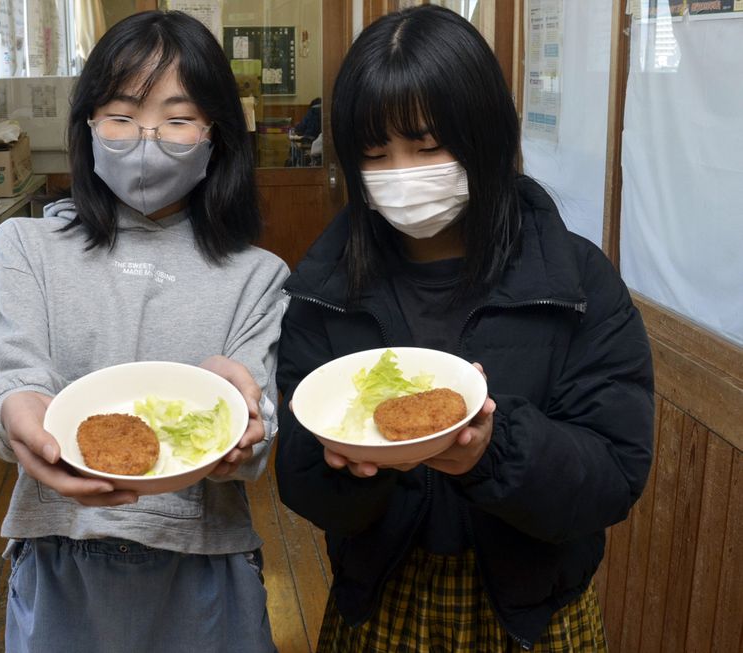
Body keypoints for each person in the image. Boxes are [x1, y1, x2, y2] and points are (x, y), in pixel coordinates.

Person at [274, 5, 653, 652]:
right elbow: (302, 480)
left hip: (538, 617)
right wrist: (353, 470)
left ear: (488, 136)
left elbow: (613, 476)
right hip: (380, 606)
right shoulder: (326, 288)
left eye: (427, 147)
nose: (401, 176)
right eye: (375, 153)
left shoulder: (576, 282)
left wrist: (491, 450)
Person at [0, 11, 288, 653]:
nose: (146, 138)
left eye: (177, 117)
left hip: (205, 568)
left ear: (215, 134)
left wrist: (247, 425)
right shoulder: (24, 247)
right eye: (121, 114)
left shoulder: (257, 275)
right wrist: (10, 406)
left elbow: (258, 427)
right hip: (59, 557)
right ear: (87, 125)